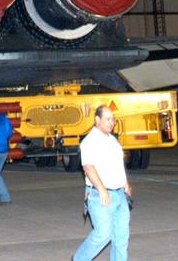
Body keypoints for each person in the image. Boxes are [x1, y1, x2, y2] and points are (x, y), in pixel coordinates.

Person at [73, 105, 132, 261]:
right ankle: (79, 259)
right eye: (107, 119)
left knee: (121, 237)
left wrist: (126, 184)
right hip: (100, 195)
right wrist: (102, 190)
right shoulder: (90, 141)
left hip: (119, 195)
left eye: (113, 119)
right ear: (97, 120)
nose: (111, 122)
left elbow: (118, 164)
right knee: (103, 233)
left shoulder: (113, 140)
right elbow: (88, 167)